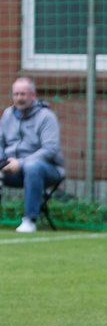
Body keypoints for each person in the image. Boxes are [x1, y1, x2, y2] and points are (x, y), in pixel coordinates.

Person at [1, 77, 65, 233]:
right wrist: (3, 162)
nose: (19, 98)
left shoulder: (46, 116)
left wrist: (20, 163)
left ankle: (29, 220)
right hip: (11, 169)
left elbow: (50, 149)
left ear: (33, 95)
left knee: (32, 167)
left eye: (23, 94)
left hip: (47, 169)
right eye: (16, 94)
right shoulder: (8, 114)